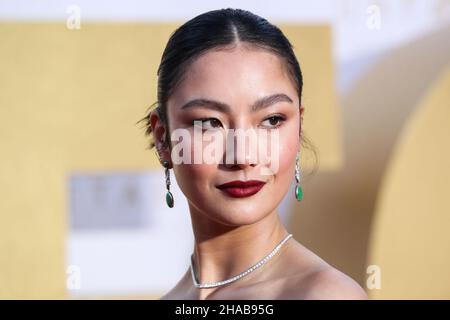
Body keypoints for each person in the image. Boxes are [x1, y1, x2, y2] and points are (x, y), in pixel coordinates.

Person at [139, 8, 368, 300]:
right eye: (209, 123)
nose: (243, 156)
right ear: (163, 138)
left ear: (298, 128)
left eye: (272, 120)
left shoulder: (324, 295)